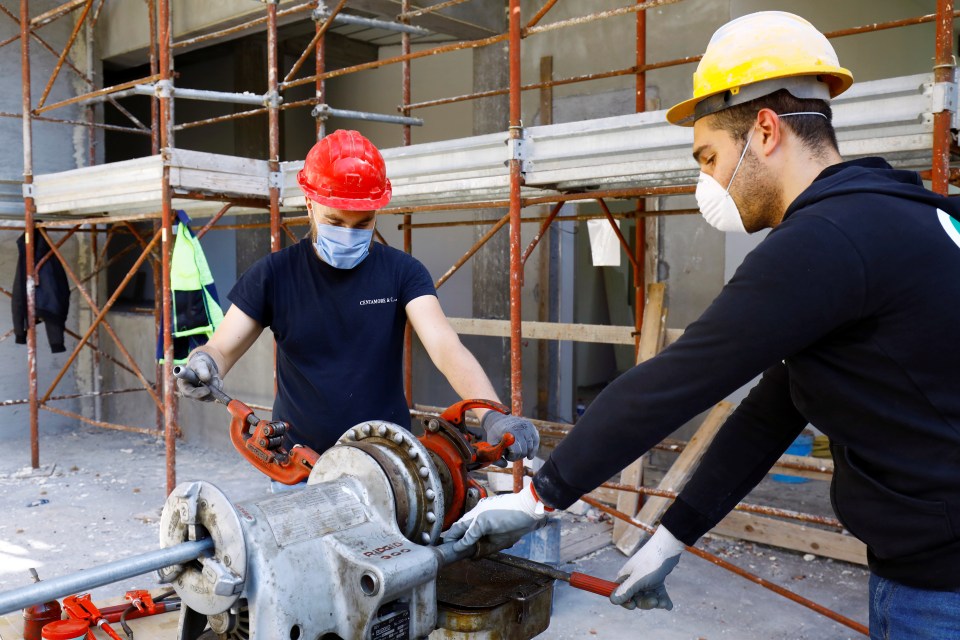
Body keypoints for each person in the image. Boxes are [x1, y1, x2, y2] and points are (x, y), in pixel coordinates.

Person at [443, 11, 960, 638]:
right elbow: (775, 407)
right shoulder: (894, 214)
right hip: (929, 567)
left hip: (942, 588)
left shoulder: (826, 240)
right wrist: (674, 534)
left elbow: (677, 379)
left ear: (765, 130)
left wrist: (538, 496)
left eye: (710, 155)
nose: (708, 180)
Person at [177, 129, 539, 474]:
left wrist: (490, 414)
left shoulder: (402, 272)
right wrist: (204, 363)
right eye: (335, 221)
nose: (348, 235)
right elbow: (223, 347)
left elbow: (445, 347)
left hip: (388, 468)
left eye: (362, 223)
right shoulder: (274, 275)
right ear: (309, 205)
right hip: (296, 467)